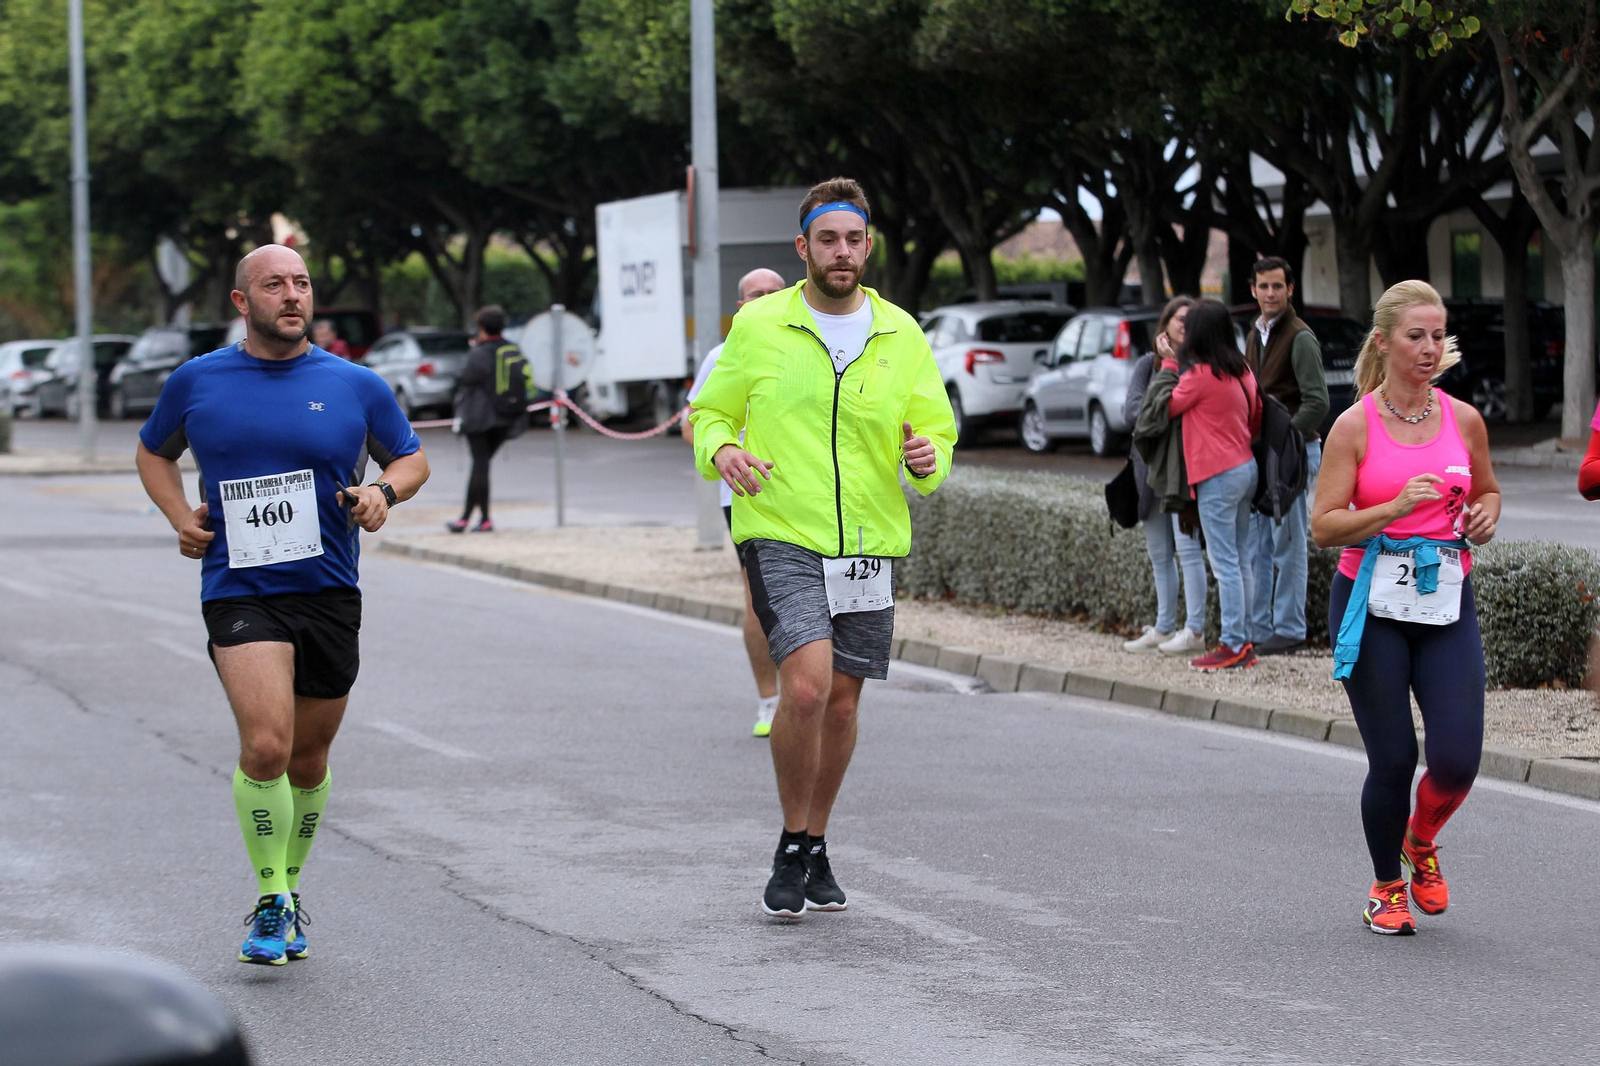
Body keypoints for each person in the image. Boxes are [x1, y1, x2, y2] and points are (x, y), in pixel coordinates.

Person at [134, 244, 430, 965]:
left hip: (329, 588)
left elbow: (412, 458)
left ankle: (289, 892)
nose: (292, 296)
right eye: (274, 285)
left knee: (307, 756)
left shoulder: (355, 383)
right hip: (240, 587)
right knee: (266, 745)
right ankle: (271, 899)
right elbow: (152, 452)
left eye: (301, 283)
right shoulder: (197, 381)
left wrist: (381, 492)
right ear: (243, 302)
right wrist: (180, 516)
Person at [689, 177, 956, 919]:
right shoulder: (760, 327)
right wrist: (723, 452)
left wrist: (930, 458)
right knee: (804, 688)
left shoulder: (901, 332)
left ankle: (815, 841)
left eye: (855, 239)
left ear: (868, 246)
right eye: (828, 240)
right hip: (782, 529)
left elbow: (936, 426)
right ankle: (789, 837)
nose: (843, 252)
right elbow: (709, 413)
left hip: (869, 542)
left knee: (841, 705)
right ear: (802, 247)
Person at [1313, 280, 1499, 936]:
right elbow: (1324, 526)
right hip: (1370, 601)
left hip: (1446, 599)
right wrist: (1392, 510)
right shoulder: (1354, 426)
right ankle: (1385, 885)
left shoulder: (1464, 419)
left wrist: (1483, 517)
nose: (1429, 348)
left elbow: (1490, 491)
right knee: (1393, 758)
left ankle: (1419, 841)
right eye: (1415, 336)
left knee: (1455, 760)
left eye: (1437, 335)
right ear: (1384, 341)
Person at [683, 267, 789, 736]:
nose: (765, 298)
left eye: (774, 292)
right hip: (747, 494)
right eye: (755, 294)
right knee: (760, 599)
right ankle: (770, 700)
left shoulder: (814, 347)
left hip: (813, 493)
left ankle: (811, 695)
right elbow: (693, 424)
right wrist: (728, 452)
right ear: (741, 306)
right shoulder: (723, 355)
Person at [1165, 298, 1261, 671]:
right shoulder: (1244, 371)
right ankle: (1245, 640)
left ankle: (1232, 644)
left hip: (1216, 476)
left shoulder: (1199, 376)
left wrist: (1172, 362)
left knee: (1224, 565)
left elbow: (1169, 407)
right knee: (1241, 560)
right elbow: (1255, 417)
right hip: (1245, 468)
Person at [1243, 257, 1329, 656]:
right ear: (1253, 289)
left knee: (1288, 541)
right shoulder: (1253, 334)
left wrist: (1284, 440)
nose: (1270, 293)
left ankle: (1291, 627)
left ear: (1291, 289)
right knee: (1260, 543)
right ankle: (1260, 628)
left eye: (1278, 286)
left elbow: (1318, 402)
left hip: (1294, 453)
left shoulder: (1300, 337)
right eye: (1264, 286)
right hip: (1265, 454)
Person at [1122, 296, 1207, 657]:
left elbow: (1185, 416)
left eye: (1191, 319)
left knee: (1189, 553)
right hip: (1149, 474)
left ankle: (1196, 629)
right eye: (1178, 318)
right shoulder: (1147, 363)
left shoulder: (1201, 366)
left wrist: (1159, 413)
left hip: (1183, 472)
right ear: (1165, 324)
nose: (1184, 325)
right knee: (1160, 554)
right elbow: (1134, 415)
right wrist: (1161, 414)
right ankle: (1164, 625)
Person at [448, 305, 529, 534]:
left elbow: (464, 378)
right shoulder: (512, 349)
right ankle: (471, 518)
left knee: (480, 465)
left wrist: (474, 348)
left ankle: (479, 519)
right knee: (481, 466)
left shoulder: (479, 353)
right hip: (507, 418)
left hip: (480, 418)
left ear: (482, 327)